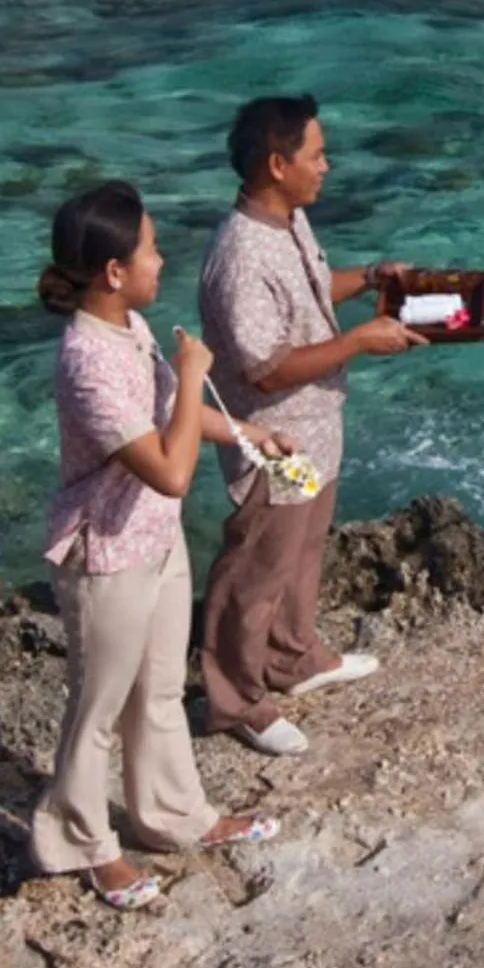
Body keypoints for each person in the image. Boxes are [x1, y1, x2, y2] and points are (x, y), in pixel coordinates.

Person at [31, 180, 288, 912]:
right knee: (98, 707)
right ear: (113, 272)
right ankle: (82, 842)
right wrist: (198, 373)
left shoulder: (128, 327)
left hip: (155, 540)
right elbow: (170, 472)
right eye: (149, 249)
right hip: (106, 555)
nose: (161, 259)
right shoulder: (87, 362)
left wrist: (246, 432)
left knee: (161, 692)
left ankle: (174, 816)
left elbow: (169, 417)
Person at [197, 94, 426, 758]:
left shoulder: (287, 222)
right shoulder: (240, 256)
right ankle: (236, 700)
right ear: (277, 164)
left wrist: (371, 279)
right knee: (256, 569)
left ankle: (293, 659)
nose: (327, 165)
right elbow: (264, 370)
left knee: (302, 551)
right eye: (316, 154)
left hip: (315, 429)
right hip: (276, 440)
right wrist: (358, 343)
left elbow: (308, 293)